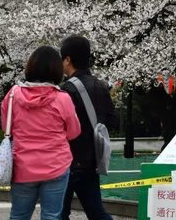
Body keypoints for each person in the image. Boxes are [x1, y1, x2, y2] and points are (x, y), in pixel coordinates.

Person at [0, 46, 81, 220]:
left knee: (18, 216)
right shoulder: (62, 98)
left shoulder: (13, 95)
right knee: (52, 216)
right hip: (56, 167)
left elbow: (7, 129)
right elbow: (74, 132)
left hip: (22, 167)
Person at [60, 36, 119, 220]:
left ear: (67, 60)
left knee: (59, 214)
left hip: (68, 161)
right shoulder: (101, 86)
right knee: (97, 213)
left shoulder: (66, 90)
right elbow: (113, 122)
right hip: (92, 160)